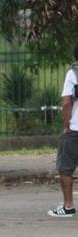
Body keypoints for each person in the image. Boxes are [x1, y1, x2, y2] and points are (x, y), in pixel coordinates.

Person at [50, 46, 78, 217]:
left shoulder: (73, 74)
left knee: (66, 168)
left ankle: (68, 206)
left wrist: (66, 125)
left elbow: (67, 102)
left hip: (75, 129)